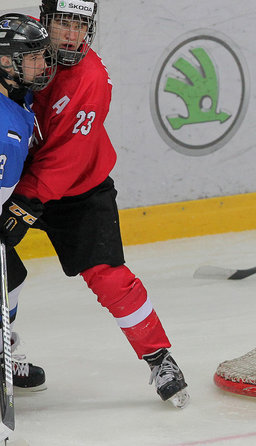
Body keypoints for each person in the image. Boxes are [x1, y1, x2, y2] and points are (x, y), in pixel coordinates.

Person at [0, 0, 189, 408]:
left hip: (76, 190)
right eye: (63, 23)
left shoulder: (90, 79)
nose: (72, 34)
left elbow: (65, 159)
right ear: (44, 20)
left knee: (108, 276)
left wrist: (26, 203)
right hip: (17, 181)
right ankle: (5, 354)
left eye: (81, 25)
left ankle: (160, 359)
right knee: (4, 271)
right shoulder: (22, 48)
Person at [0, 13, 56, 394]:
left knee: (13, 275)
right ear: (5, 62)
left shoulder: (16, 99)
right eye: (32, 57)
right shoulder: (8, 134)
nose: (43, 65)